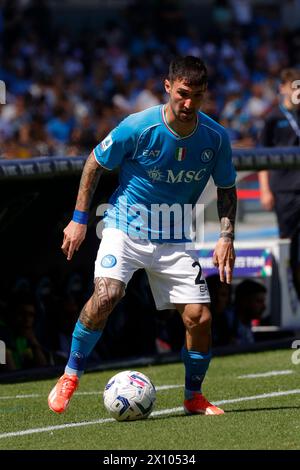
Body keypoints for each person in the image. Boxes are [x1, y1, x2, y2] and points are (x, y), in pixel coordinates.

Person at [48, 56, 237, 416]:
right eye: (182, 94)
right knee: (107, 296)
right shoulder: (137, 127)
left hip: (175, 237)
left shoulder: (215, 137)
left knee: (200, 318)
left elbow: (227, 188)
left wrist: (226, 237)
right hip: (124, 227)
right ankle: (70, 374)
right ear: (168, 87)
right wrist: (78, 220)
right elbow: (94, 163)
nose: (188, 103)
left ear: (205, 94)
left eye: (196, 96)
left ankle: (193, 396)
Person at [258, 68, 300, 298]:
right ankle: (288, 293)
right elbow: (260, 155)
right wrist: (264, 189)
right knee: (287, 242)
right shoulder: (273, 118)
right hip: (283, 189)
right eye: (293, 85)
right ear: (283, 88)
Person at [231, 279, 267, 345]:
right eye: (259, 301)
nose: (264, 307)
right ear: (244, 301)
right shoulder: (228, 323)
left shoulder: (246, 322)